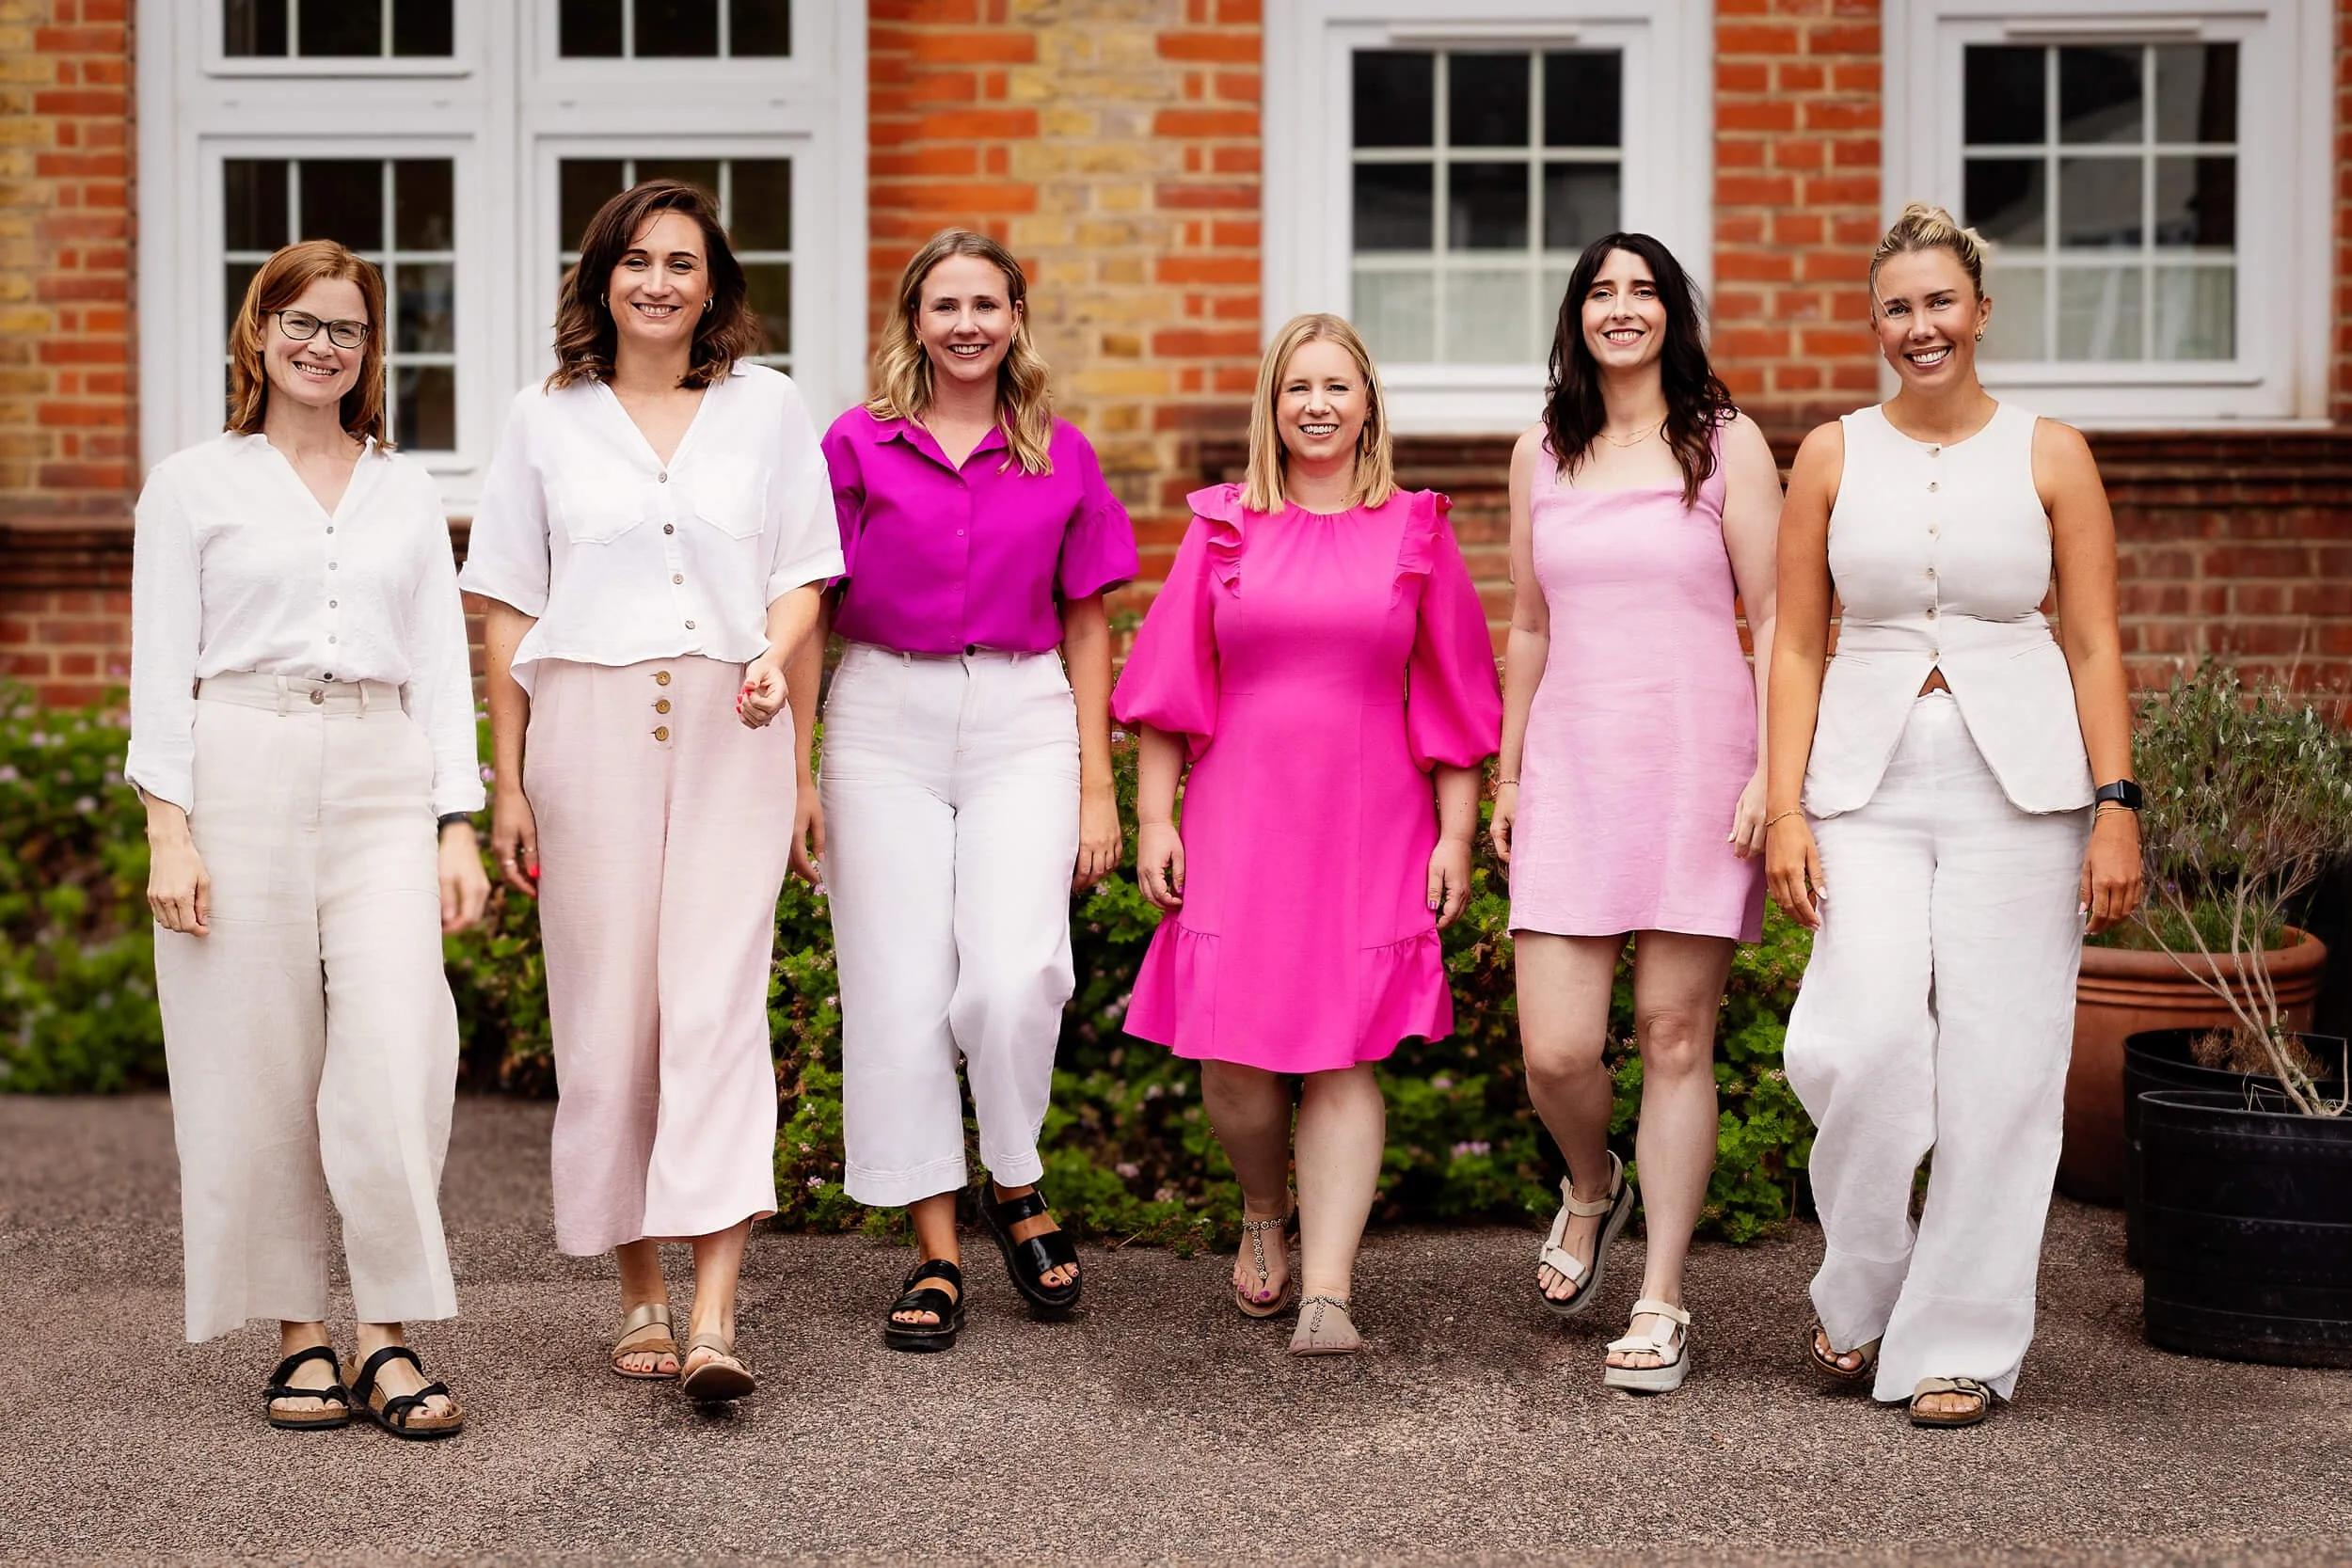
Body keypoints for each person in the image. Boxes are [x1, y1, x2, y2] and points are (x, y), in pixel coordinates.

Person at [461, 181, 841, 1402]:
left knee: (718, 1007)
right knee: (612, 1015)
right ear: (603, 277)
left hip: (736, 721)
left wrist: (784, 693)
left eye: (683, 261)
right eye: (638, 260)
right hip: (587, 728)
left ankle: (718, 1310)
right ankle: (640, 1289)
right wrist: (509, 777)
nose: (659, 282)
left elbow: (802, 577)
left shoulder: (771, 409)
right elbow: (509, 602)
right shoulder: (542, 418)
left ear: (715, 282)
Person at [1765, 203, 2142, 1429]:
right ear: (1874, 324)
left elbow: (2091, 642)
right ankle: (1867, 1281)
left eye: (1939, 302)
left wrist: (2114, 805)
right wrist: (1784, 807)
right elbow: (1796, 649)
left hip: (2022, 792)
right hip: (1862, 787)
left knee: (2003, 1071)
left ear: (1979, 311)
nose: (1919, 325)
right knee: (1857, 1040)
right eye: (1896, 307)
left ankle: (1963, 1340)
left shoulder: (2053, 453)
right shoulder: (1830, 453)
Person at [128, 238, 489, 1437]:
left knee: (399, 1047)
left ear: (369, 348)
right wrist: (168, 829)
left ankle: (388, 1330)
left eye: (345, 328)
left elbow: (443, 671)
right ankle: (300, 1332)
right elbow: (158, 672)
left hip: (384, 767)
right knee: (257, 1062)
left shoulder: (403, 486)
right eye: (301, 322)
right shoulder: (190, 485)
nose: (321, 345)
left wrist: (456, 822)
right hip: (240, 761)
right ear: (258, 331)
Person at [1117, 312, 1502, 1355]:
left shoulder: (1416, 526)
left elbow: (1458, 697)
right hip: (1239, 813)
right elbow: (1166, 691)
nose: (1318, 404)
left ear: (1369, 401)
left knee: (1343, 1055)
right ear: (1272, 405)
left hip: (1371, 818)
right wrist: (1155, 817)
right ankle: (1262, 1206)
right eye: (1298, 387)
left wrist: (1454, 836)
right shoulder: (1223, 524)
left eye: (1338, 384)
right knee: (1233, 1062)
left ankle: (1328, 1286)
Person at [802, 229, 1135, 1350]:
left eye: (984, 303)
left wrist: (1100, 782)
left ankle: (1016, 1173)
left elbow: (1089, 616)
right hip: (879, 717)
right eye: (942, 305)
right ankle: (938, 1251)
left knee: (1013, 972)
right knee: (897, 990)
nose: (964, 324)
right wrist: (798, 765)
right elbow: (808, 604)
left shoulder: (1060, 453)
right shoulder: (854, 444)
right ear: (913, 320)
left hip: (1020, 715)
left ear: (1014, 319)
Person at [1488, 233, 1784, 1394]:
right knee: (1555, 1048)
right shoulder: (1539, 452)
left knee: (1673, 1036)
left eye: (1644, 290)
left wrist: (1773, 770)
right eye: (1602, 291)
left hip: (1697, 769)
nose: (1623, 308)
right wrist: (1509, 773)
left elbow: (1774, 615)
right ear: (1576, 316)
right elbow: (1528, 624)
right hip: (1572, 769)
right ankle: (1589, 1184)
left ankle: (1660, 1295)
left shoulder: (1725, 442)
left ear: (1671, 313)